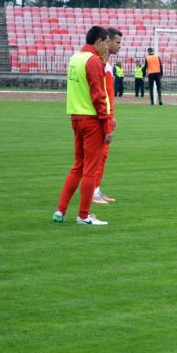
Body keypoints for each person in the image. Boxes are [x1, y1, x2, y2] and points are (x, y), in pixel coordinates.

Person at [52, 26, 113, 226]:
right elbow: (98, 95)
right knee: (90, 170)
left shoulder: (75, 58)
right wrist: (107, 125)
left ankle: (60, 211)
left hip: (76, 117)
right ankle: (84, 215)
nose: (106, 45)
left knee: (78, 166)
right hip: (91, 120)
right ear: (98, 41)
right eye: (105, 41)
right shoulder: (92, 61)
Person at [93, 27, 123, 205]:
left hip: (107, 115)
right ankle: (92, 192)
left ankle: (96, 189)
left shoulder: (108, 65)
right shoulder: (100, 64)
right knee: (99, 155)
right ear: (107, 41)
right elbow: (100, 93)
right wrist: (106, 116)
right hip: (101, 117)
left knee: (103, 155)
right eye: (117, 42)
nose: (119, 46)